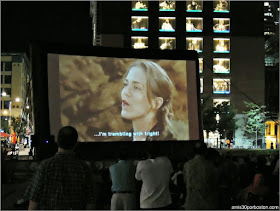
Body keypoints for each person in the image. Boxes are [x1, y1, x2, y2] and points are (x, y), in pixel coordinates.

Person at [24, 126, 94, 210]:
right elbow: (90, 201)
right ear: (76, 143)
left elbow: (34, 200)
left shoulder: (45, 166)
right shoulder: (84, 168)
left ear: (57, 141)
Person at [121, 60, 176, 141]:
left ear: (157, 103)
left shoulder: (170, 145)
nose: (125, 92)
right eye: (126, 84)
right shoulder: (123, 142)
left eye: (136, 87)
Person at [183, 142, 220, 209]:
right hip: (207, 204)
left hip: (191, 204)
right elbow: (215, 184)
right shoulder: (210, 166)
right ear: (205, 152)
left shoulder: (187, 165)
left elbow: (185, 182)